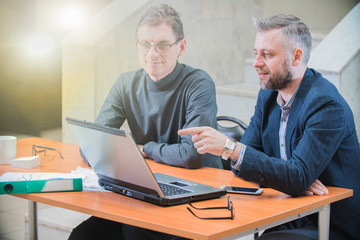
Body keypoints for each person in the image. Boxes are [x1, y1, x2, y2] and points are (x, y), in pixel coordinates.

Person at [179, 14, 360, 240]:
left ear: (296, 57)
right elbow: (244, 165)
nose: (256, 62)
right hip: (291, 210)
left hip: (331, 223)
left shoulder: (325, 104)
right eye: (256, 53)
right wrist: (291, 177)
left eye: (267, 54)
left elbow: (278, 169)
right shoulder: (267, 96)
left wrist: (230, 148)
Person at [69, 4, 219, 240]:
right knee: (82, 236)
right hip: (147, 188)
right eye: (144, 44)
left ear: (182, 46)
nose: (152, 53)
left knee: (136, 232)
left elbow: (191, 155)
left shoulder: (199, 84)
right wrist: (119, 154)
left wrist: (143, 151)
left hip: (194, 192)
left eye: (162, 45)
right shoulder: (125, 84)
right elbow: (92, 146)